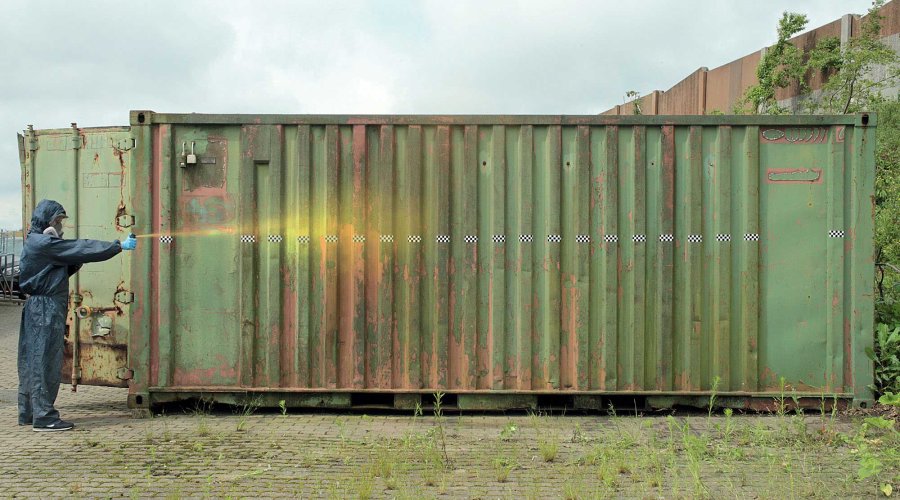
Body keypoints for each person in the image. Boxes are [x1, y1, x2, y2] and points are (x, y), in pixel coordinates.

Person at [17, 199, 137, 431]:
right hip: (45, 311)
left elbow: (57, 270)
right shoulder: (44, 243)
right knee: (45, 362)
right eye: (58, 221)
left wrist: (74, 261)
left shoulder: (37, 242)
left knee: (32, 361)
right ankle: (43, 417)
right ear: (46, 221)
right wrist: (117, 246)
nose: (60, 226)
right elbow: (80, 247)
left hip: (39, 309)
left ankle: (29, 412)